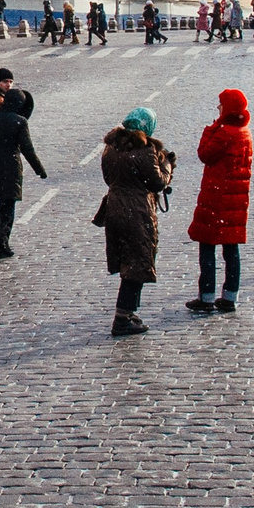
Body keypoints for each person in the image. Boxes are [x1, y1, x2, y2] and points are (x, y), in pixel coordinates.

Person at [98, 107, 176, 336]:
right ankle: (123, 317)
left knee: (128, 261)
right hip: (137, 211)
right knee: (138, 262)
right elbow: (158, 182)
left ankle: (129, 313)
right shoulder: (145, 151)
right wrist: (168, 166)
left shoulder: (111, 148)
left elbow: (108, 178)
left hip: (115, 209)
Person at [184, 89, 253, 314]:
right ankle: (230, 296)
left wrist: (210, 129)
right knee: (231, 250)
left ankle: (206, 297)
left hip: (218, 198)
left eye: (221, 105)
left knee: (207, 247)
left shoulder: (224, 133)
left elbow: (205, 153)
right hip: (235, 200)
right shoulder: (244, 132)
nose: (218, 108)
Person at [0, 88, 45, 258]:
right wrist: (40, 169)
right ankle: (2, 242)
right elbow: (28, 149)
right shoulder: (20, 122)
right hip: (11, 168)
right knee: (7, 206)